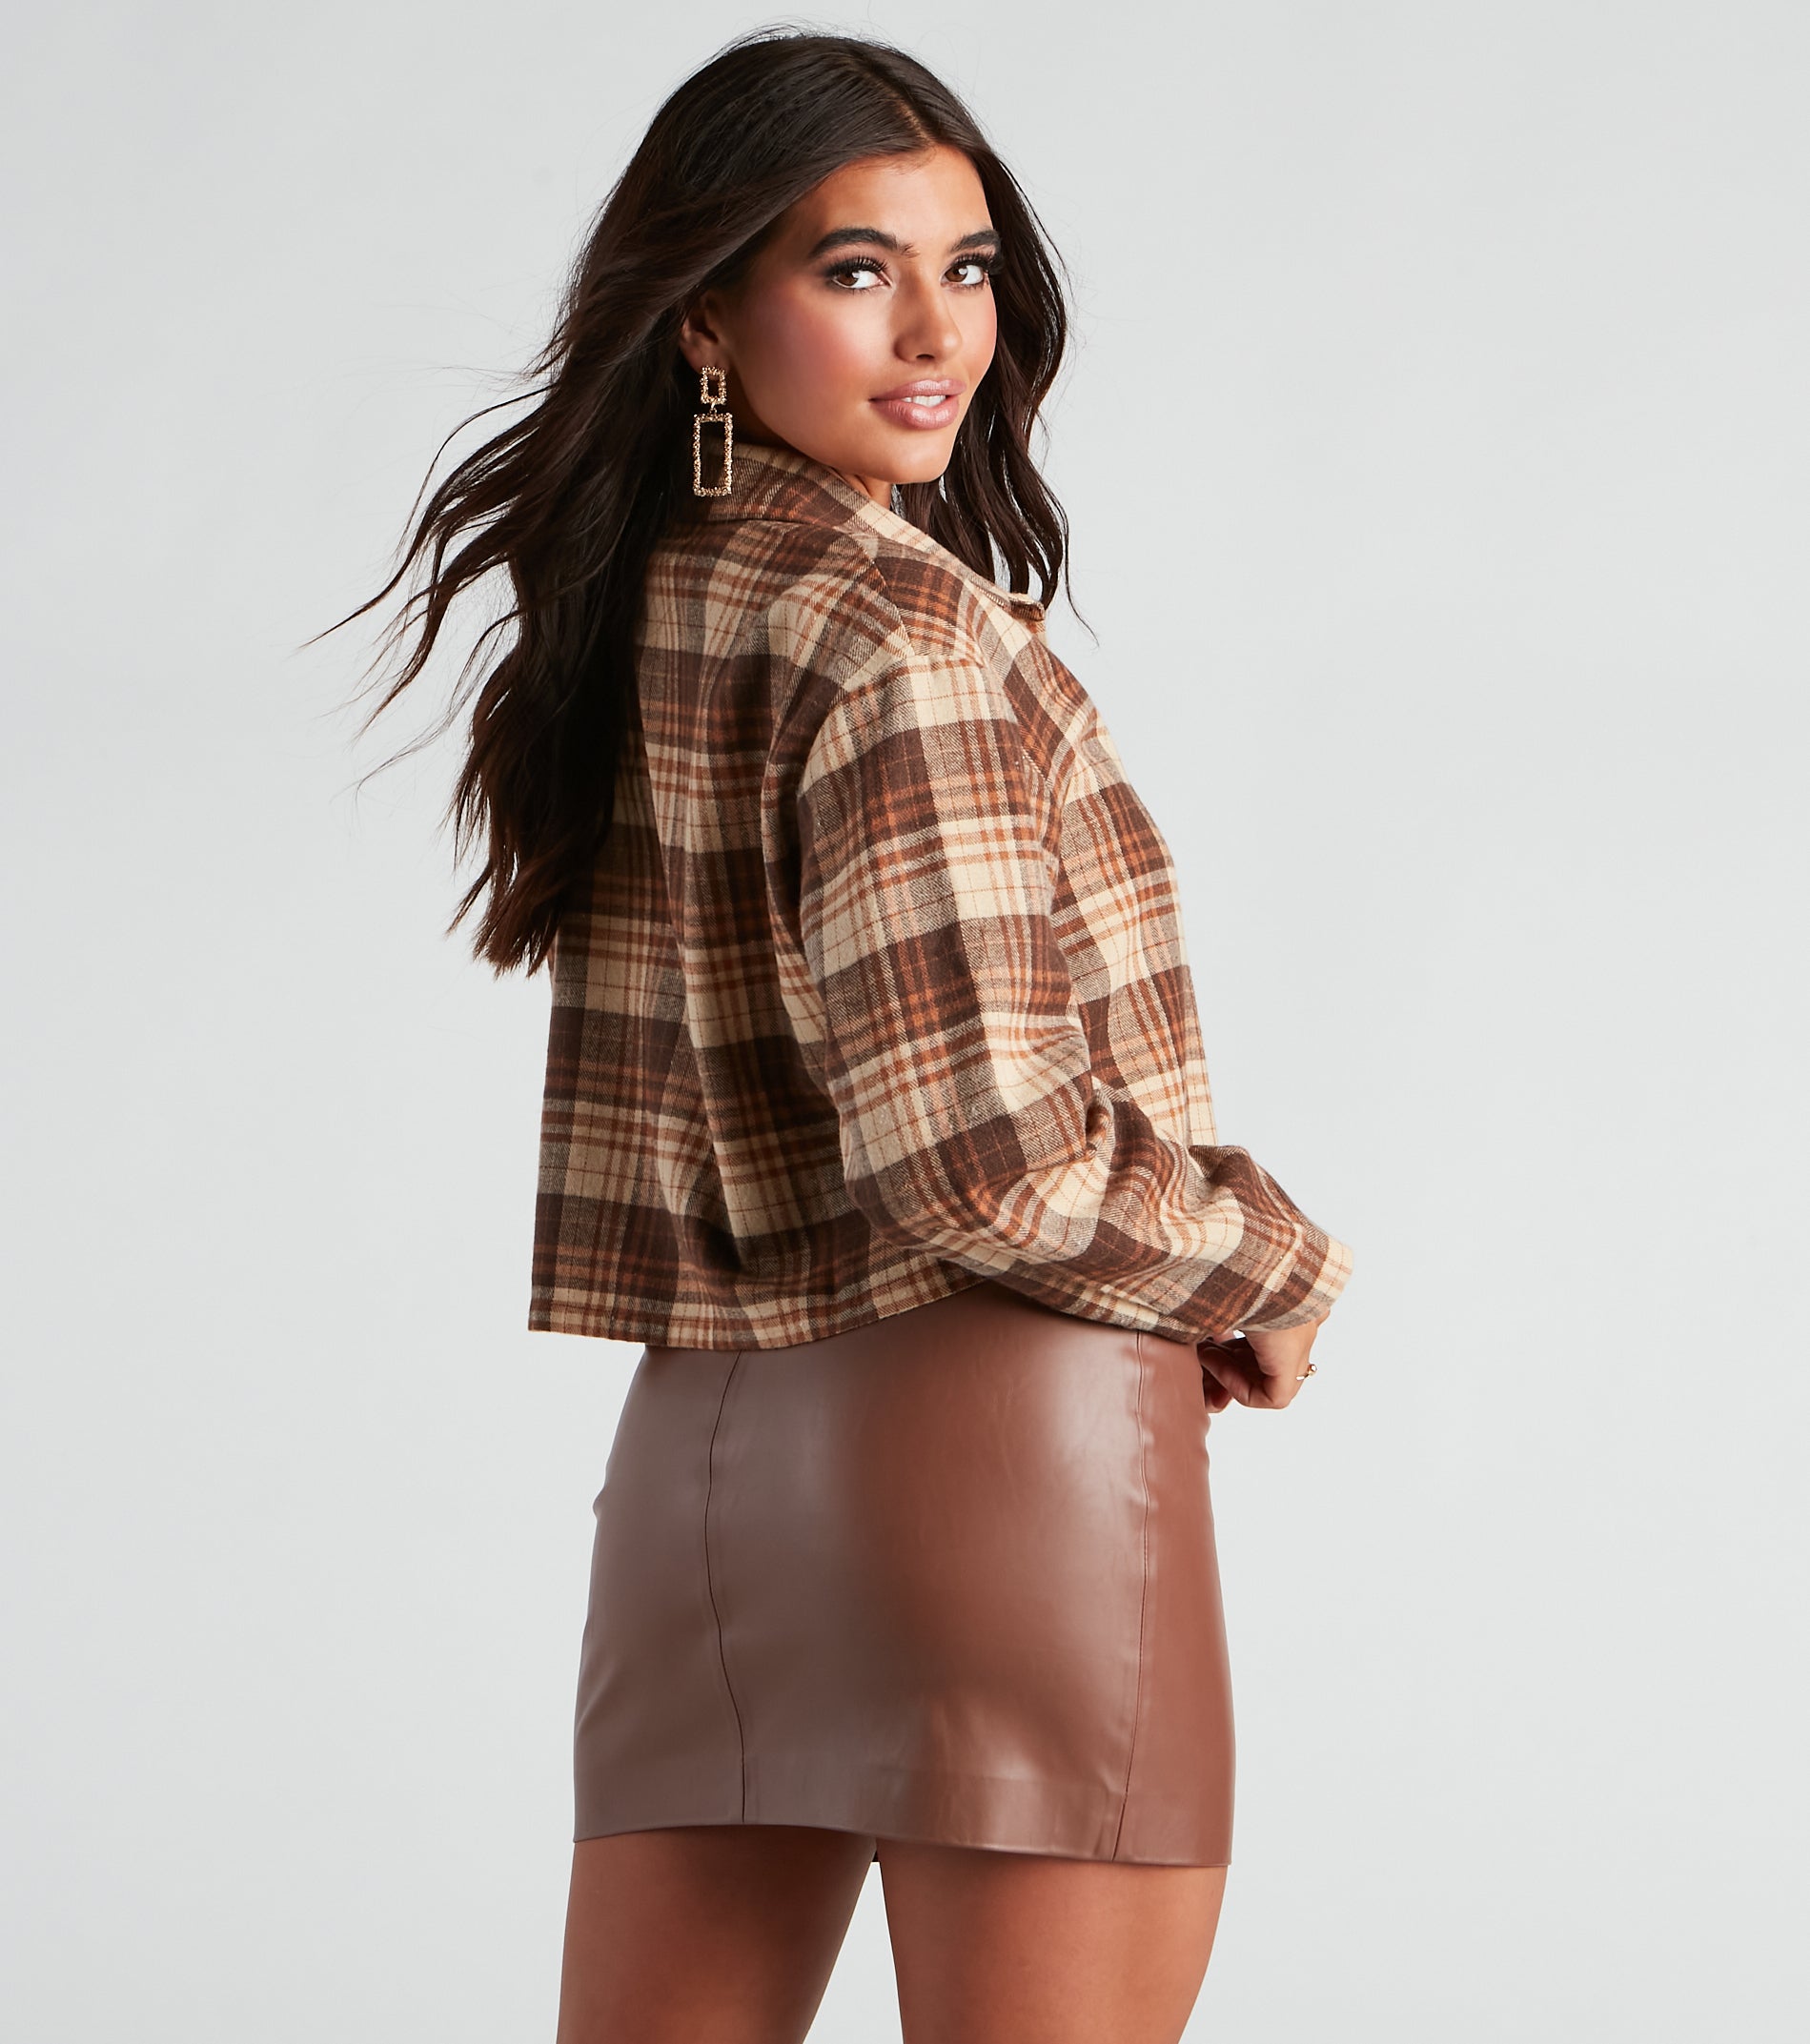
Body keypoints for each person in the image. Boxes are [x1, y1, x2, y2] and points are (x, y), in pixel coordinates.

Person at [335, 29, 1352, 2044]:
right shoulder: (904, 635)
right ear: (706, 317)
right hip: (1002, 1463)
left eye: (966, 268)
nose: (936, 330)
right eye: (855, 267)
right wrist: (1272, 1260)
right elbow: (985, 1166)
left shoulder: (654, 603)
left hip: (713, 1466)